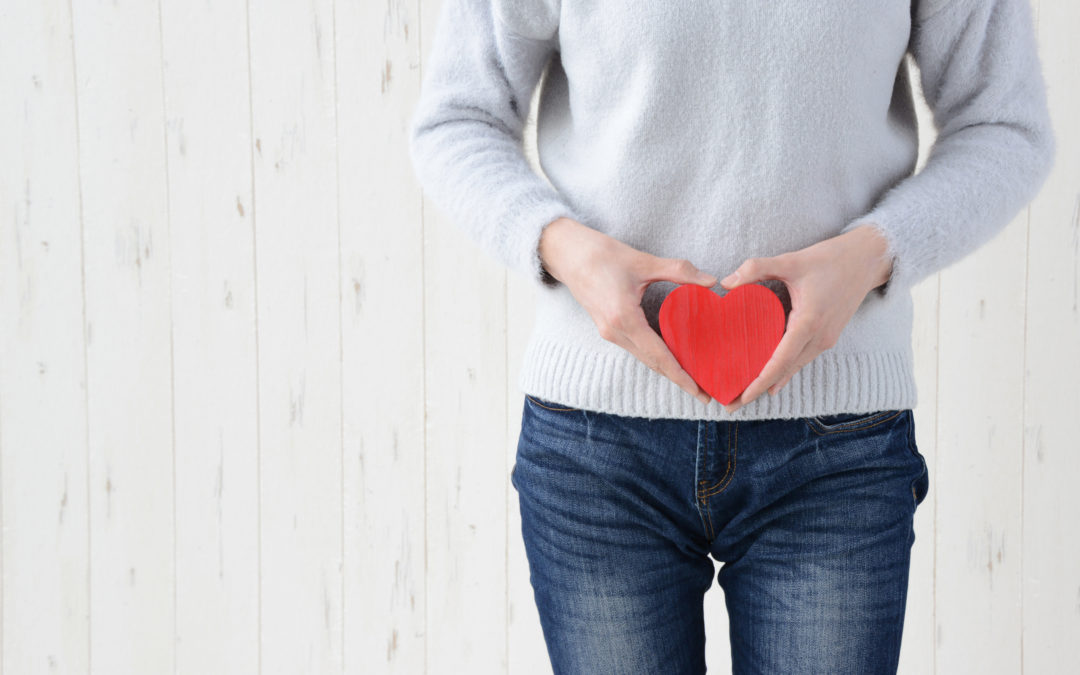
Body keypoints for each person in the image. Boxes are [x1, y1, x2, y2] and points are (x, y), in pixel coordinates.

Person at [408, 1, 1056, 673]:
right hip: (596, 452)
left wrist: (872, 255)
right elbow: (459, 118)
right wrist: (564, 248)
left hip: (837, 450)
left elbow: (1004, 125)